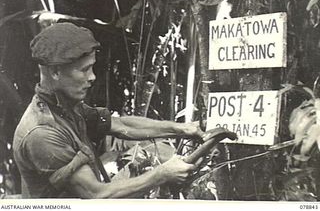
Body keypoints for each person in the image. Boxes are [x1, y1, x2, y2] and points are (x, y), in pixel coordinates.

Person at [13, 22, 205, 198]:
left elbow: (121, 125)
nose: (92, 77)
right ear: (55, 72)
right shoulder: (42, 133)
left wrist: (183, 129)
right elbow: (97, 194)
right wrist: (162, 174)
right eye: (84, 70)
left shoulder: (67, 109)